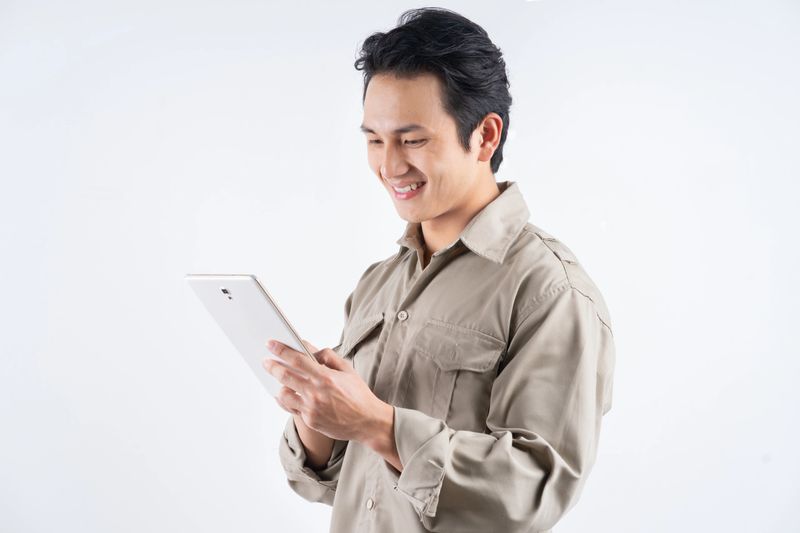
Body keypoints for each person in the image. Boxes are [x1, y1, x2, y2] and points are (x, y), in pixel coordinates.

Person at [263, 7, 615, 532]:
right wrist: (317, 415)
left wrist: (377, 424)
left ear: (485, 136)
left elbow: (533, 491)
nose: (389, 165)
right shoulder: (378, 284)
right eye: (374, 140)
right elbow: (342, 484)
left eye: (413, 139)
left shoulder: (549, 291)